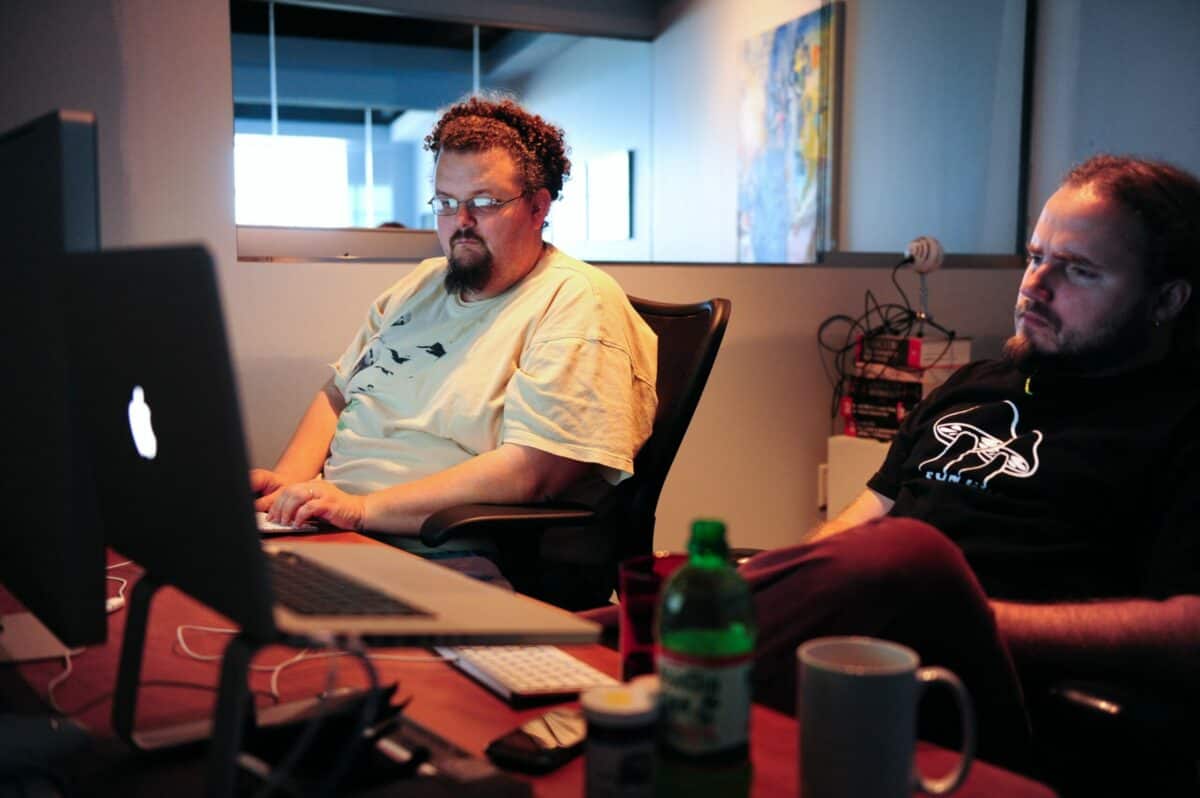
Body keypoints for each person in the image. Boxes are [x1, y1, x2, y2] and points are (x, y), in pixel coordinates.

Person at [735, 154, 1200, 771]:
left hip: (1007, 688)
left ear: (1165, 299)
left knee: (908, 556)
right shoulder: (971, 387)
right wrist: (814, 584)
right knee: (698, 582)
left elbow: (1187, 627)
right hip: (874, 650)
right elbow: (866, 516)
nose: (1035, 284)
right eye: (1036, 257)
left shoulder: (1181, 422)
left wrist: (965, 617)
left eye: (1080, 271)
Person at [251, 96, 658, 599]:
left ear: (538, 207)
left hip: (441, 542)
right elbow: (338, 391)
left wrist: (360, 509)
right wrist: (284, 489)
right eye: (445, 202)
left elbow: (535, 470)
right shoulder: (421, 284)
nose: (460, 220)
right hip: (332, 526)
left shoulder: (576, 301)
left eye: (484, 202)